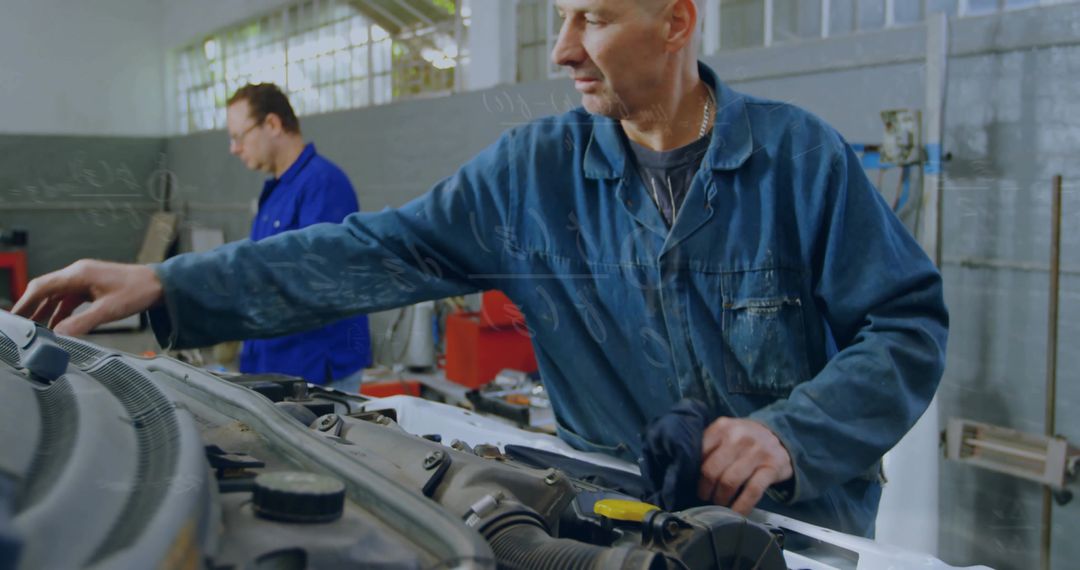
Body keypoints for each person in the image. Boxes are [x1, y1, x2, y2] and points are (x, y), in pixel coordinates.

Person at [11, 0, 945, 537]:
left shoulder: (801, 162)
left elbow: (904, 325)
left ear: (676, 20)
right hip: (610, 522)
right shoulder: (530, 174)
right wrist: (173, 287)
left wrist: (790, 434)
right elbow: (374, 249)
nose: (565, 49)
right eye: (559, 17)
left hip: (797, 527)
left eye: (595, 17)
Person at [223, 83, 372, 384]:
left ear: (273, 124)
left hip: (313, 373)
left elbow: (315, 280)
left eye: (239, 136)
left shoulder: (323, 184)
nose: (234, 148)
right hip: (273, 364)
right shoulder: (277, 192)